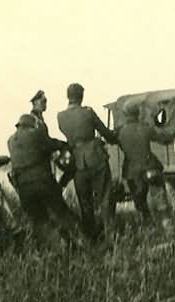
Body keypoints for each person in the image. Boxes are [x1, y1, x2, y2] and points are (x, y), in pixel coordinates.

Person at [8, 114, 82, 248]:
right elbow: (52, 144)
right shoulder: (34, 135)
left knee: (38, 219)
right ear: (31, 126)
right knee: (62, 213)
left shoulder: (11, 141)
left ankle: (59, 246)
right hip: (42, 182)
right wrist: (66, 145)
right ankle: (85, 240)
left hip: (24, 188)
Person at [56, 83, 119, 239]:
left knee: (85, 202)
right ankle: (111, 234)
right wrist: (114, 138)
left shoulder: (60, 116)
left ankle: (90, 237)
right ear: (81, 96)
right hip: (95, 158)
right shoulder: (88, 112)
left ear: (68, 96)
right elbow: (104, 132)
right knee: (105, 196)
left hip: (77, 163)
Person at [115, 105, 175, 225]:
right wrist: (173, 136)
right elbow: (162, 139)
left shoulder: (121, 132)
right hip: (150, 167)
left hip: (132, 172)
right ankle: (168, 227)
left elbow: (114, 141)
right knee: (160, 198)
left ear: (125, 115)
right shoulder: (145, 128)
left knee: (140, 203)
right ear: (138, 114)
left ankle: (148, 227)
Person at [29, 90, 75, 188]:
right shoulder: (33, 120)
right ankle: (60, 187)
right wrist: (61, 144)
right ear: (35, 102)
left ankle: (60, 187)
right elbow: (43, 141)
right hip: (39, 162)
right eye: (43, 101)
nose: (45, 104)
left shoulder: (38, 119)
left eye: (46, 101)